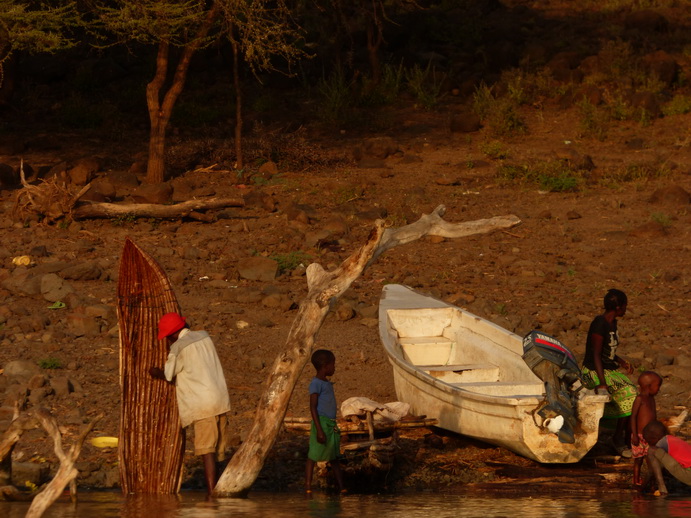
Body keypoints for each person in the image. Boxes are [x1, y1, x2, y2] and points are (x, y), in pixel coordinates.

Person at [150, 312, 232, 496]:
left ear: (171, 335)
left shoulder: (178, 348)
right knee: (219, 451)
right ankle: (221, 489)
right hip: (220, 398)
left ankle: (212, 494)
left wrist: (156, 372)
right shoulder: (204, 336)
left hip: (203, 404)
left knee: (207, 450)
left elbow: (169, 374)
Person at [581, 289, 636, 456]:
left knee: (632, 390)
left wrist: (620, 361)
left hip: (607, 369)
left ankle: (622, 436)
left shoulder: (612, 323)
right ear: (619, 307)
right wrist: (602, 381)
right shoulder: (600, 324)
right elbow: (596, 354)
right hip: (594, 371)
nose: (626, 309)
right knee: (630, 393)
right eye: (625, 306)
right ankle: (618, 438)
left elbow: (607, 351)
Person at [305, 349, 345, 494]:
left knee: (333, 456)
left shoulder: (326, 382)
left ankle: (342, 487)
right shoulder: (316, 383)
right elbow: (313, 407)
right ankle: (308, 487)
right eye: (333, 364)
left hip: (330, 423)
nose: (334, 367)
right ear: (326, 366)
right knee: (313, 456)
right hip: (321, 423)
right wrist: (319, 430)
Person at [630, 371, 662, 486]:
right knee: (638, 460)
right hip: (639, 436)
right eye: (658, 386)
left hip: (650, 437)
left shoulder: (651, 399)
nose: (659, 390)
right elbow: (633, 417)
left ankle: (651, 481)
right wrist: (634, 435)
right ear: (649, 386)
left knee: (650, 459)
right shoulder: (640, 399)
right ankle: (636, 481)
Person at [643, 420, 691, 494]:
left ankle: (662, 487)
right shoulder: (671, 440)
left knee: (651, 451)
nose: (648, 444)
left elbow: (651, 470)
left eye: (648, 441)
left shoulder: (662, 442)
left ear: (655, 438)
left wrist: (643, 486)